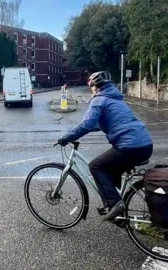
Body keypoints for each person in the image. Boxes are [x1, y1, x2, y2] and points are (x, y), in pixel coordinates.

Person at [57, 71, 153, 222]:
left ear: (95, 87)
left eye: (92, 88)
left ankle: (115, 204)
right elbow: (100, 124)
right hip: (145, 145)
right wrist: (76, 131)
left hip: (129, 147)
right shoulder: (117, 99)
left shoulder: (99, 100)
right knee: (109, 167)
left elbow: (87, 124)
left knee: (96, 166)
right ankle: (111, 204)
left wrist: (67, 137)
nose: (92, 91)